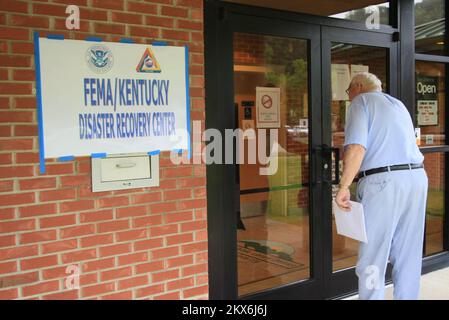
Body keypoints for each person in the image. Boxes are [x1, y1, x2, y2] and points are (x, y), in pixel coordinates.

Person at [335, 72, 428, 300]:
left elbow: (356, 147)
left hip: (384, 182)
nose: (349, 97)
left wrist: (344, 186)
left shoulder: (361, 102)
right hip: (416, 178)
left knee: (373, 254)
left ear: (357, 86)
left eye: (349, 91)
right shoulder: (398, 104)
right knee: (408, 253)